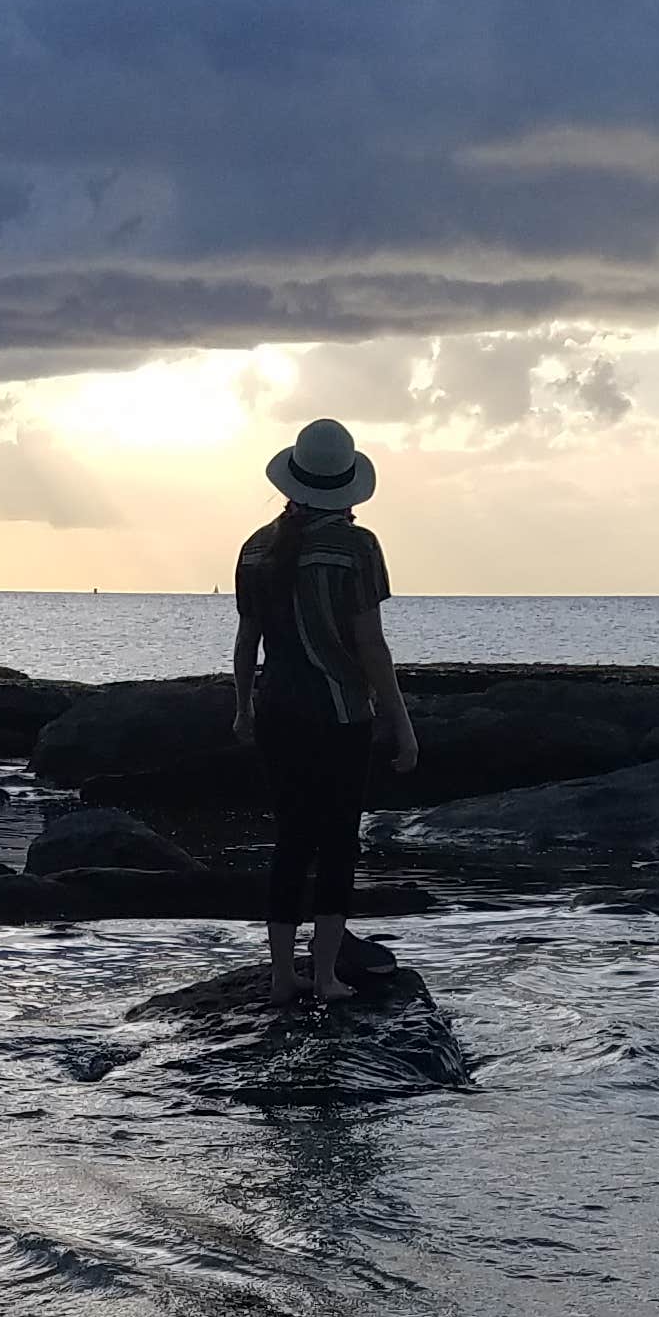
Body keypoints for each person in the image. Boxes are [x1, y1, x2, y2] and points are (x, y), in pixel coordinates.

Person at [231, 417, 420, 1007]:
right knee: (338, 842)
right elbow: (370, 646)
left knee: (291, 841)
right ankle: (329, 973)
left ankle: (285, 975)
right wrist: (402, 722)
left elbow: (246, 643)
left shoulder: (256, 547)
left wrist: (241, 710)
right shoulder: (357, 547)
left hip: (276, 714)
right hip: (339, 717)